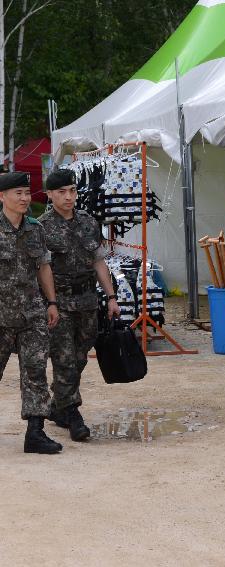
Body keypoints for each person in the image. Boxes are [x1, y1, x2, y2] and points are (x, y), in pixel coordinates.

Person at [40, 169, 121, 441]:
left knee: (79, 357)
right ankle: (74, 415)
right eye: (61, 192)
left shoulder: (88, 222)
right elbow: (43, 268)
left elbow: (99, 260)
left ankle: (57, 406)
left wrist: (111, 297)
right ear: (49, 195)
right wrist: (50, 302)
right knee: (64, 359)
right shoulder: (42, 227)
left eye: (72, 191)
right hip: (59, 302)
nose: (68, 197)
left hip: (87, 301)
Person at [0, 172, 63, 454]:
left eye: (27, 193)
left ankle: (35, 433)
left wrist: (52, 302)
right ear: (2, 196)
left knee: (36, 372)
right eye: (18, 193)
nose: (25, 198)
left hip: (32, 315)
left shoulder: (35, 229)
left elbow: (43, 267)